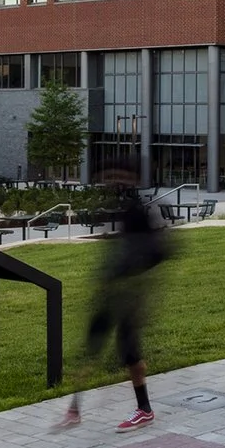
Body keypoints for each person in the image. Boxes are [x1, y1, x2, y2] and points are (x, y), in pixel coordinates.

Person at [60, 182, 173, 431]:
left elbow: (158, 252)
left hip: (130, 296)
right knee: (93, 344)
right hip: (112, 292)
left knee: (129, 351)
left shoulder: (139, 211)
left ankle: (144, 409)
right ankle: (74, 409)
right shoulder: (125, 209)